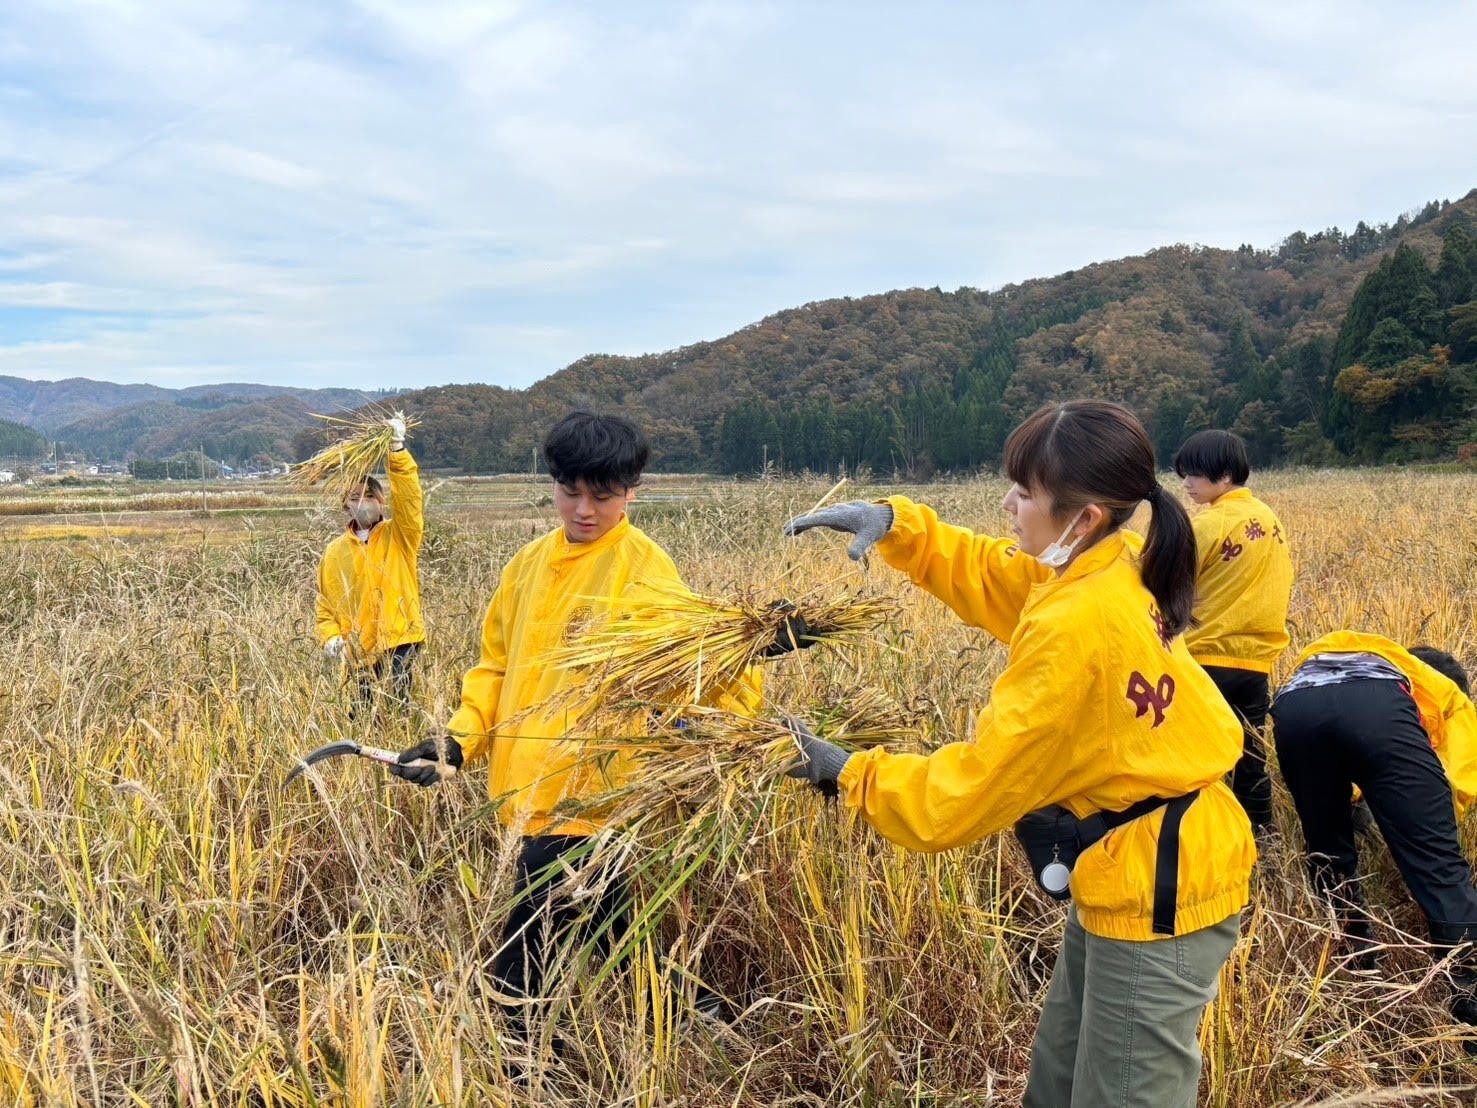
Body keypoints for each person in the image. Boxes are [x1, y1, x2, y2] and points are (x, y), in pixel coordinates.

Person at [782, 400, 1254, 1107]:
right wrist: (903, 529)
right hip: (1125, 863)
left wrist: (853, 773)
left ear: (1084, 517)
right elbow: (1009, 579)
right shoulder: (1108, 563)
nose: (1008, 504)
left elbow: (974, 789)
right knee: (1058, 1085)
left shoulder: (1079, 621)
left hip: (1159, 882)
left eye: (1024, 492)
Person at [388, 411, 808, 1038]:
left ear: (632, 490)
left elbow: (695, 671)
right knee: (613, 929)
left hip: (594, 792)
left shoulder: (646, 570)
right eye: (570, 492)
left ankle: (518, 1066)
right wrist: (458, 742)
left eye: (602, 495)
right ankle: (690, 1014)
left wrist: (747, 646)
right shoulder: (527, 565)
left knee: (522, 963)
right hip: (527, 785)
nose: (584, 509)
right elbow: (497, 667)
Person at [1269, 631, 1477, 1028]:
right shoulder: (1443, 692)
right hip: (1371, 710)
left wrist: (1363, 803)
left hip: (1294, 706)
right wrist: (1430, 834)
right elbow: (1459, 778)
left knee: (1328, 854)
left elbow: (1347, 732)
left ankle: (1358, 970)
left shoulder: (1354, 654)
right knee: (1442, 874)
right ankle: (1470, 1010)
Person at [1173, 429, 1293, 833]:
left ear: (1224, 475)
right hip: (1254, 662)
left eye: (1194, 474)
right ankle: (1261, 837)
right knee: (1250, 756)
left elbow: (1163, 581)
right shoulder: (1269, 518)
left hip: (1204, 658)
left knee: (1195, 760)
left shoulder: (1208, 523)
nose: (1186, 483)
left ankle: (1205, 840)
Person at [315, 416, 425, 708]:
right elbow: (325, 606)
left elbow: (410, 500)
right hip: (357, 650)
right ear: (345, 505)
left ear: (382, 501)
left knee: (396, 709)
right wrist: (330, 638)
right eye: (354, 497)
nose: (362, 501)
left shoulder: (400, 535)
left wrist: (397, 452)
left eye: (369, 495)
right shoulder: (334, 553)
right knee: (362, 717)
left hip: (399, 638)